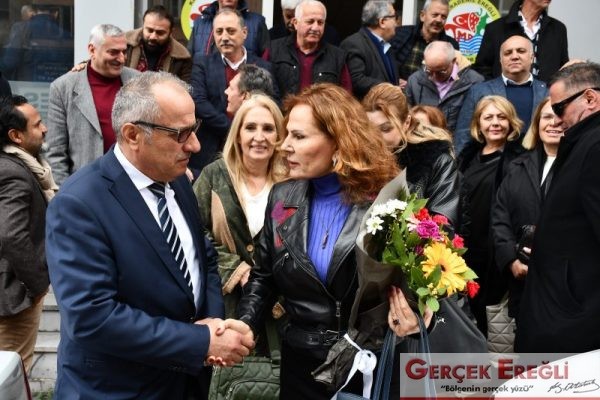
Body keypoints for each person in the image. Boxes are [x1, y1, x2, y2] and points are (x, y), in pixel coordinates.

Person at [46, 71, 254, 398]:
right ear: (132, 135)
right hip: (117, 389)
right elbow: (91, 317)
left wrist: (214, 324)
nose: (195, 145)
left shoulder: (178, 180)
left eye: (194, 129)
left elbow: (203, 256)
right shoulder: (79, 203)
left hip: (184, 385)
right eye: (180, 134)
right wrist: (199, 341)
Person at [236, 83, 419, 399]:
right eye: (287, 134)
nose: (284, 145)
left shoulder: (388, 201)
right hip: (300, 366)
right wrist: (245, 322)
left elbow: (418, 281)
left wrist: (414, 313)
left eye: (298, 136)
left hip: (364, 366)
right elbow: (263, 275)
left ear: (338, 142)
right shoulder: (282, 198)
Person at [516, 62, 600, 353]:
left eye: (560, 108)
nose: (557, 119)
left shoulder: (595, 145)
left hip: (573, 315)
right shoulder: (582, 143)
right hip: (562, 308)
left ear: (590, 98)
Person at [194, 93, 285, 320]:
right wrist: (237, 269)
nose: (259, 137)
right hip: (224, 306)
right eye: (250, 127)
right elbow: (193, 230)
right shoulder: (214, 175)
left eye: (268, 128)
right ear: (238, 134)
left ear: (279, 136)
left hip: (280, 308)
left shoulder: (292, 182)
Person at [491, 97, 563, 322]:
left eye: (559, 116)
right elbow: (499, 217)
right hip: (522, 281)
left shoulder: (582, 164)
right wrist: (511, 260)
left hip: (563, 282)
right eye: (547, 117)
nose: (553, 123)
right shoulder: (517, 166)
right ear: (537, 123)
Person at [457, 95, 523, 335]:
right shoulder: (466, 158)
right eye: (488, 117)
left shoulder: (520, 161)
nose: (495, 123)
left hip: (494, 252)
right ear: (478, 124)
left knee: (489, 319)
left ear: (511, 123)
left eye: (501, 117)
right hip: (464, 248)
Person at [0, 95, 55, 373]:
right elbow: (11, 235)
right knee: (12, 377)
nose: (45, 129)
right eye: (37, 124)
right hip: (12, 300)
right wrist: (38, 283)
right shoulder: (14, 173)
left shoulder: (13, 166)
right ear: (16, 136)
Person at [45, 24, 139, 186]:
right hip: (86, 187)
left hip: (133, 183)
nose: (122, 59)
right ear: (92, 50)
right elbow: (56, 152)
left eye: (124, 52)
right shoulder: (63, 87)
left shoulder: (139, 82)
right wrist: (64, 191)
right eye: (113, 52)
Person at [363, 82, 459, 224]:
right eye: (370, 130)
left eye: (386, 129)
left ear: (407, 122)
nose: (377, 138)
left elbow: (442, 223)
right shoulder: (358, 160)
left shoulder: (435, 161)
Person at [190, 8, 273, 173]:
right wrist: (233, 129)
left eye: (231, 31)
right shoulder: (202, 64)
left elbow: (272, 102)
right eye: (219, 31)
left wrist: (247, 130)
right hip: (210, 149)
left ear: (244, 32)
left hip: (253, 146)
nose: (224, 37)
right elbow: (198, 102)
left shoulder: (263, 66)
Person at [454, 35, 547, 154]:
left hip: (536, 161)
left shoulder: (547, 92)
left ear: (532, 57)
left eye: (521, 51)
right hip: (492, 162)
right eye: (508, 53)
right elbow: (463, 135)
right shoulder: (478, 91)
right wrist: (461, 163)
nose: (514, 56)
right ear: (500, 60)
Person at [266, 0, 352, 99]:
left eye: (320, 23)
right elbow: (263, 90)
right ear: (295, 23)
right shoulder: (274, 49)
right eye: (310, 22)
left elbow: (345, 97)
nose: (315, 28)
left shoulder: (337, 57)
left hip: (320, 109)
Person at [473, 0, 568, 84]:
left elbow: (563, 69)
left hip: (547, 97)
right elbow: (482, 69)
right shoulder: (495, 28)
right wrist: (495, 92)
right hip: (503, 97)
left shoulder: (558, 29)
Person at [406, 41, 484, 133]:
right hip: (423, 139)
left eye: (440, 72)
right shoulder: (415, 81)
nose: (434, 77)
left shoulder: (474, 82)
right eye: (429, 70)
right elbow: (407, 118)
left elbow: (474, 124)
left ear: (453, 61)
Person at [391, 0, 459, 86]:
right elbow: (385, 65)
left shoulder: (451, 45)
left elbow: (450, 80)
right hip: (396, 89)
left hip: (429, 93)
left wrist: (412, 86)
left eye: (443, 17)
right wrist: (395, 80)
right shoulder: (401, 34)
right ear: (422, 16)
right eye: (435, 15)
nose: (439, 20)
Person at [340, 0, 399, 99]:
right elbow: (357, 80)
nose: (397, 23)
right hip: (367, 108)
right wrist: (390, 88)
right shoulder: (354, 44)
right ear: (382, 22)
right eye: (394, 17)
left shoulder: (386, 45)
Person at [125, 5, 192, 81]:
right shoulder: (124, 44)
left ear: (170, 32)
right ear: (143, 26)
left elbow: (184, 87)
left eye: (160, 33)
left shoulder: (182, 57)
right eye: (149, 30)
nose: (153, 37)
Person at [187, 0, 269, 58]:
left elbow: (266, 60)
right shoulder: (201, 23)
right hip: (203, 77)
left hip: (243, 77)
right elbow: (189, 60)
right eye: (219, 31)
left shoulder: (257, 22)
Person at [269, 0, 340, 45]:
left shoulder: (330, 35)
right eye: (288, 16)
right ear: (282, 12)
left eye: (296, 16)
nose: (293, 22)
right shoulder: (272, 36)